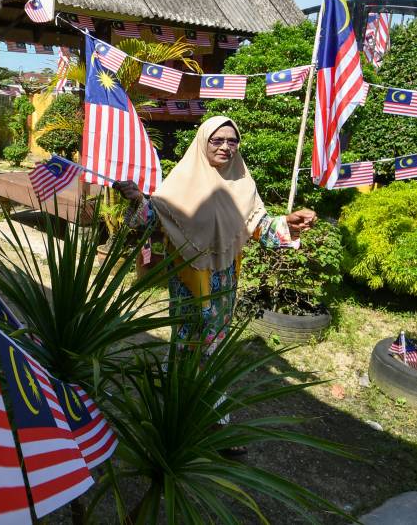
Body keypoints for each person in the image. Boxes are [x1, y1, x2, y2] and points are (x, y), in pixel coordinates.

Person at [114, 116, 316, 452]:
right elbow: (152, 219)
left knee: (212, 339)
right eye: (217, 140)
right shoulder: (180, 182)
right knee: (191, 337)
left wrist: (289, 224)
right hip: (189, 279)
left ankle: (199, 411)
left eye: (232, 141)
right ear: (202, 142)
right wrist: (137, 200)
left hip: (225, 277)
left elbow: (260, 226)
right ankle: (199, 419)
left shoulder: (242, 182)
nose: (225, 146)